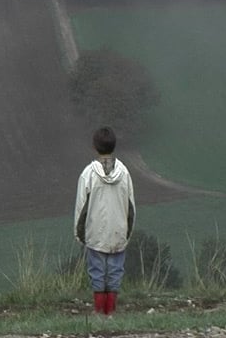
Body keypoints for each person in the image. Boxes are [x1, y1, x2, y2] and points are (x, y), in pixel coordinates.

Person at [74, 127, 135, 315]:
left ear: (94, 147)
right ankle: (111, 311)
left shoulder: (88, 174)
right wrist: (127, 233)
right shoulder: (124, 173)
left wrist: (80, 234)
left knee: (97, 273)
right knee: (115, 273)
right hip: (118, 232)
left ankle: (100, 312)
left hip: (95, 233)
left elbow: (81, 207)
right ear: (114, 146)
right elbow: (131, 207)